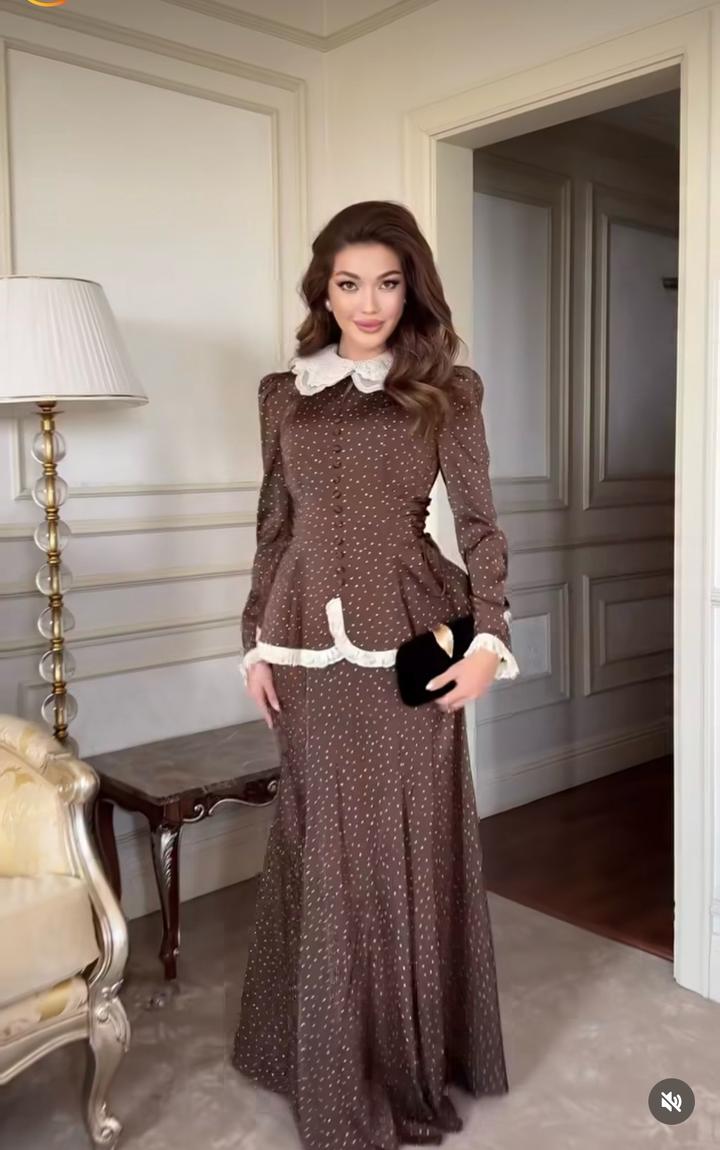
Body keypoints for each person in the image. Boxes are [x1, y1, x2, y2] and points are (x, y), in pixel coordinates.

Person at [232, 200, 520, 1150]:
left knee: (407, 849)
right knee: (325, 848)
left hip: (413, 641)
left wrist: (488, 643)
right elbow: (274, 526)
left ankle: (407, 1067)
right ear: (324, 290)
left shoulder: (449, 390)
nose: (368, 303)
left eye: (388, 284)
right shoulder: (283, 395)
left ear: (411, 289)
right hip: (304, 653)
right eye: (349, 283)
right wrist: (254, 641)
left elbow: (478, 527)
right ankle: (322, 1060)